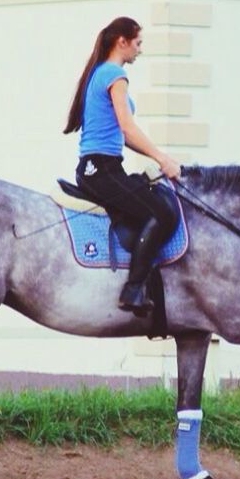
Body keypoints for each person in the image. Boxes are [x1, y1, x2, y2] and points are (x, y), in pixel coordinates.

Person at [64, 17, 181, 315]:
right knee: (164, 212)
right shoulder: (115, 74)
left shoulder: (98, 73)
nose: (140, 50)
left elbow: (121, 135)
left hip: (102, 168)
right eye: (138, 43)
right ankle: (133, 290)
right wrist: (163, 159)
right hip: (101, 171)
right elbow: (128, 129)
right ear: (122, 42)